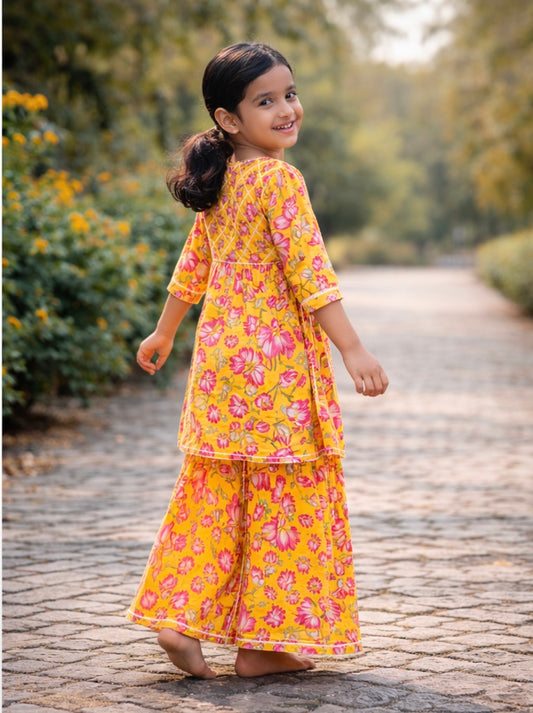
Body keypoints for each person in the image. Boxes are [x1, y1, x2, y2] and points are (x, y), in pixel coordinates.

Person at [126, 42, 388, 679]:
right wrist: (352, 348)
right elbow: (310, 273)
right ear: (229, 119)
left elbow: (192, 270)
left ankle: (178, 617)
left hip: (221, 367)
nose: (286, 109)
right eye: (265, 101)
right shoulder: (278, 180)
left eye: (289, 94)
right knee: (282, 501)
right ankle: (263, 646)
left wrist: (163, 334)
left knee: (215, 496)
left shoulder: (222, 182)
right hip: (276, 374)